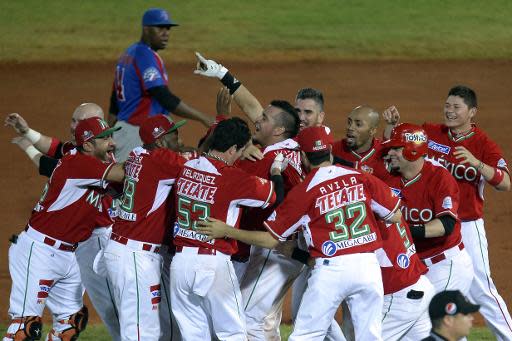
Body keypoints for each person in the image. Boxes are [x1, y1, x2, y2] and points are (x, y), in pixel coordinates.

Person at [198, 126, 403, 340]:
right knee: (370, 336)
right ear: (330, 152)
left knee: (305, 336)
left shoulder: (305, 191)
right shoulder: (361, 177)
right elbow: (395, 216)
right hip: (368, 267)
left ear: (303, 156)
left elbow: (269, 239)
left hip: (331, 270)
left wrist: (228, 230)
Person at [383, 86, 512, 340]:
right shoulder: (430, 133)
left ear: (472, 112)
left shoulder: (483, 144)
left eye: (456, 107)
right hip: (431, 221)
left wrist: (477, 163)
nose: (449, 111)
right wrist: (393, 127)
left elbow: (505, 182)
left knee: (482, 289)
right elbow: (396, 151)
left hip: (466, 224)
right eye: (447, 105)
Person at [194, 53, 306, 340]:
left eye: (264, 120)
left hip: (277, 247)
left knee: (248, 319)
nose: (257, 119)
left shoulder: (268, 158)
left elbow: (218, 165)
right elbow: (255, 108)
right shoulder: (285, 145)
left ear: (278, 130)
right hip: (283, 246)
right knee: (265, 320)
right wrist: (222, 73)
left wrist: (235, 147)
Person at [5, 105, 122, 341]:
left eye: (110, 136)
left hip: (69, 253)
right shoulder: (80, 163)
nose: (112, 143)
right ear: (88, 145)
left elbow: (53, 149)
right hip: (39, 252)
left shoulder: (92, 159)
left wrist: (27, 137)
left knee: (70, 323)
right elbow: (125, 175)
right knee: (24, 330)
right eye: (104, 139)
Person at [170, 117, 283, 340]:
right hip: (212, 264)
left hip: (180, 264)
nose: (241, 155)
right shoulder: (231, 177)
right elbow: (274, 195)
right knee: (233, 333)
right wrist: (277, 169)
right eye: (241, 151)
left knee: (193, 335)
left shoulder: (187, 167)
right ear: (233, 149)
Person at [102, 115, 186, 341]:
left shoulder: (137, 155)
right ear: (160, 142)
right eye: (174, 134)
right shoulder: (161, 160)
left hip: (125, 250)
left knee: (142, 327)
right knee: (141, 332)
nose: (179, 138)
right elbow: (200, 169)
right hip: (135, 256)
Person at [380, 123, 474, 295]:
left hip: (445, 266)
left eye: (396, 149)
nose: (390, 153)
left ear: (412, 150)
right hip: (415, 266)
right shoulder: (390, 179)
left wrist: (406, 231)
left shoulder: (439, 177)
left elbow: (445, 225)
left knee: (438, 321)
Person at [109, 8, 213, 161]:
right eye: (160, 28)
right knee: (129, 180)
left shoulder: (129, 53)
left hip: (127, 130)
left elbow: (114, 100)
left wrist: (112, 130)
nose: (166, 33)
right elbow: (163, 96)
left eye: (168, 28)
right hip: (137, 133)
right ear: (146, 29)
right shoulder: (145, 55)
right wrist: (203, 117)